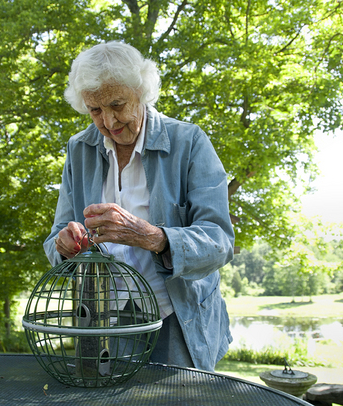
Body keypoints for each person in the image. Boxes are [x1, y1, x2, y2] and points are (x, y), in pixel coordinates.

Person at [43, 41, 235, 372]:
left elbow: (219, 241)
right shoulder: (79, 150)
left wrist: (151, 236)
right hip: (105, 320)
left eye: (117, 104)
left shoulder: (188, 142)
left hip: (177, 317)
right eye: (95, 110)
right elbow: (55, 239)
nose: (108, 121)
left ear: (141, 91)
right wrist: (66, 245)